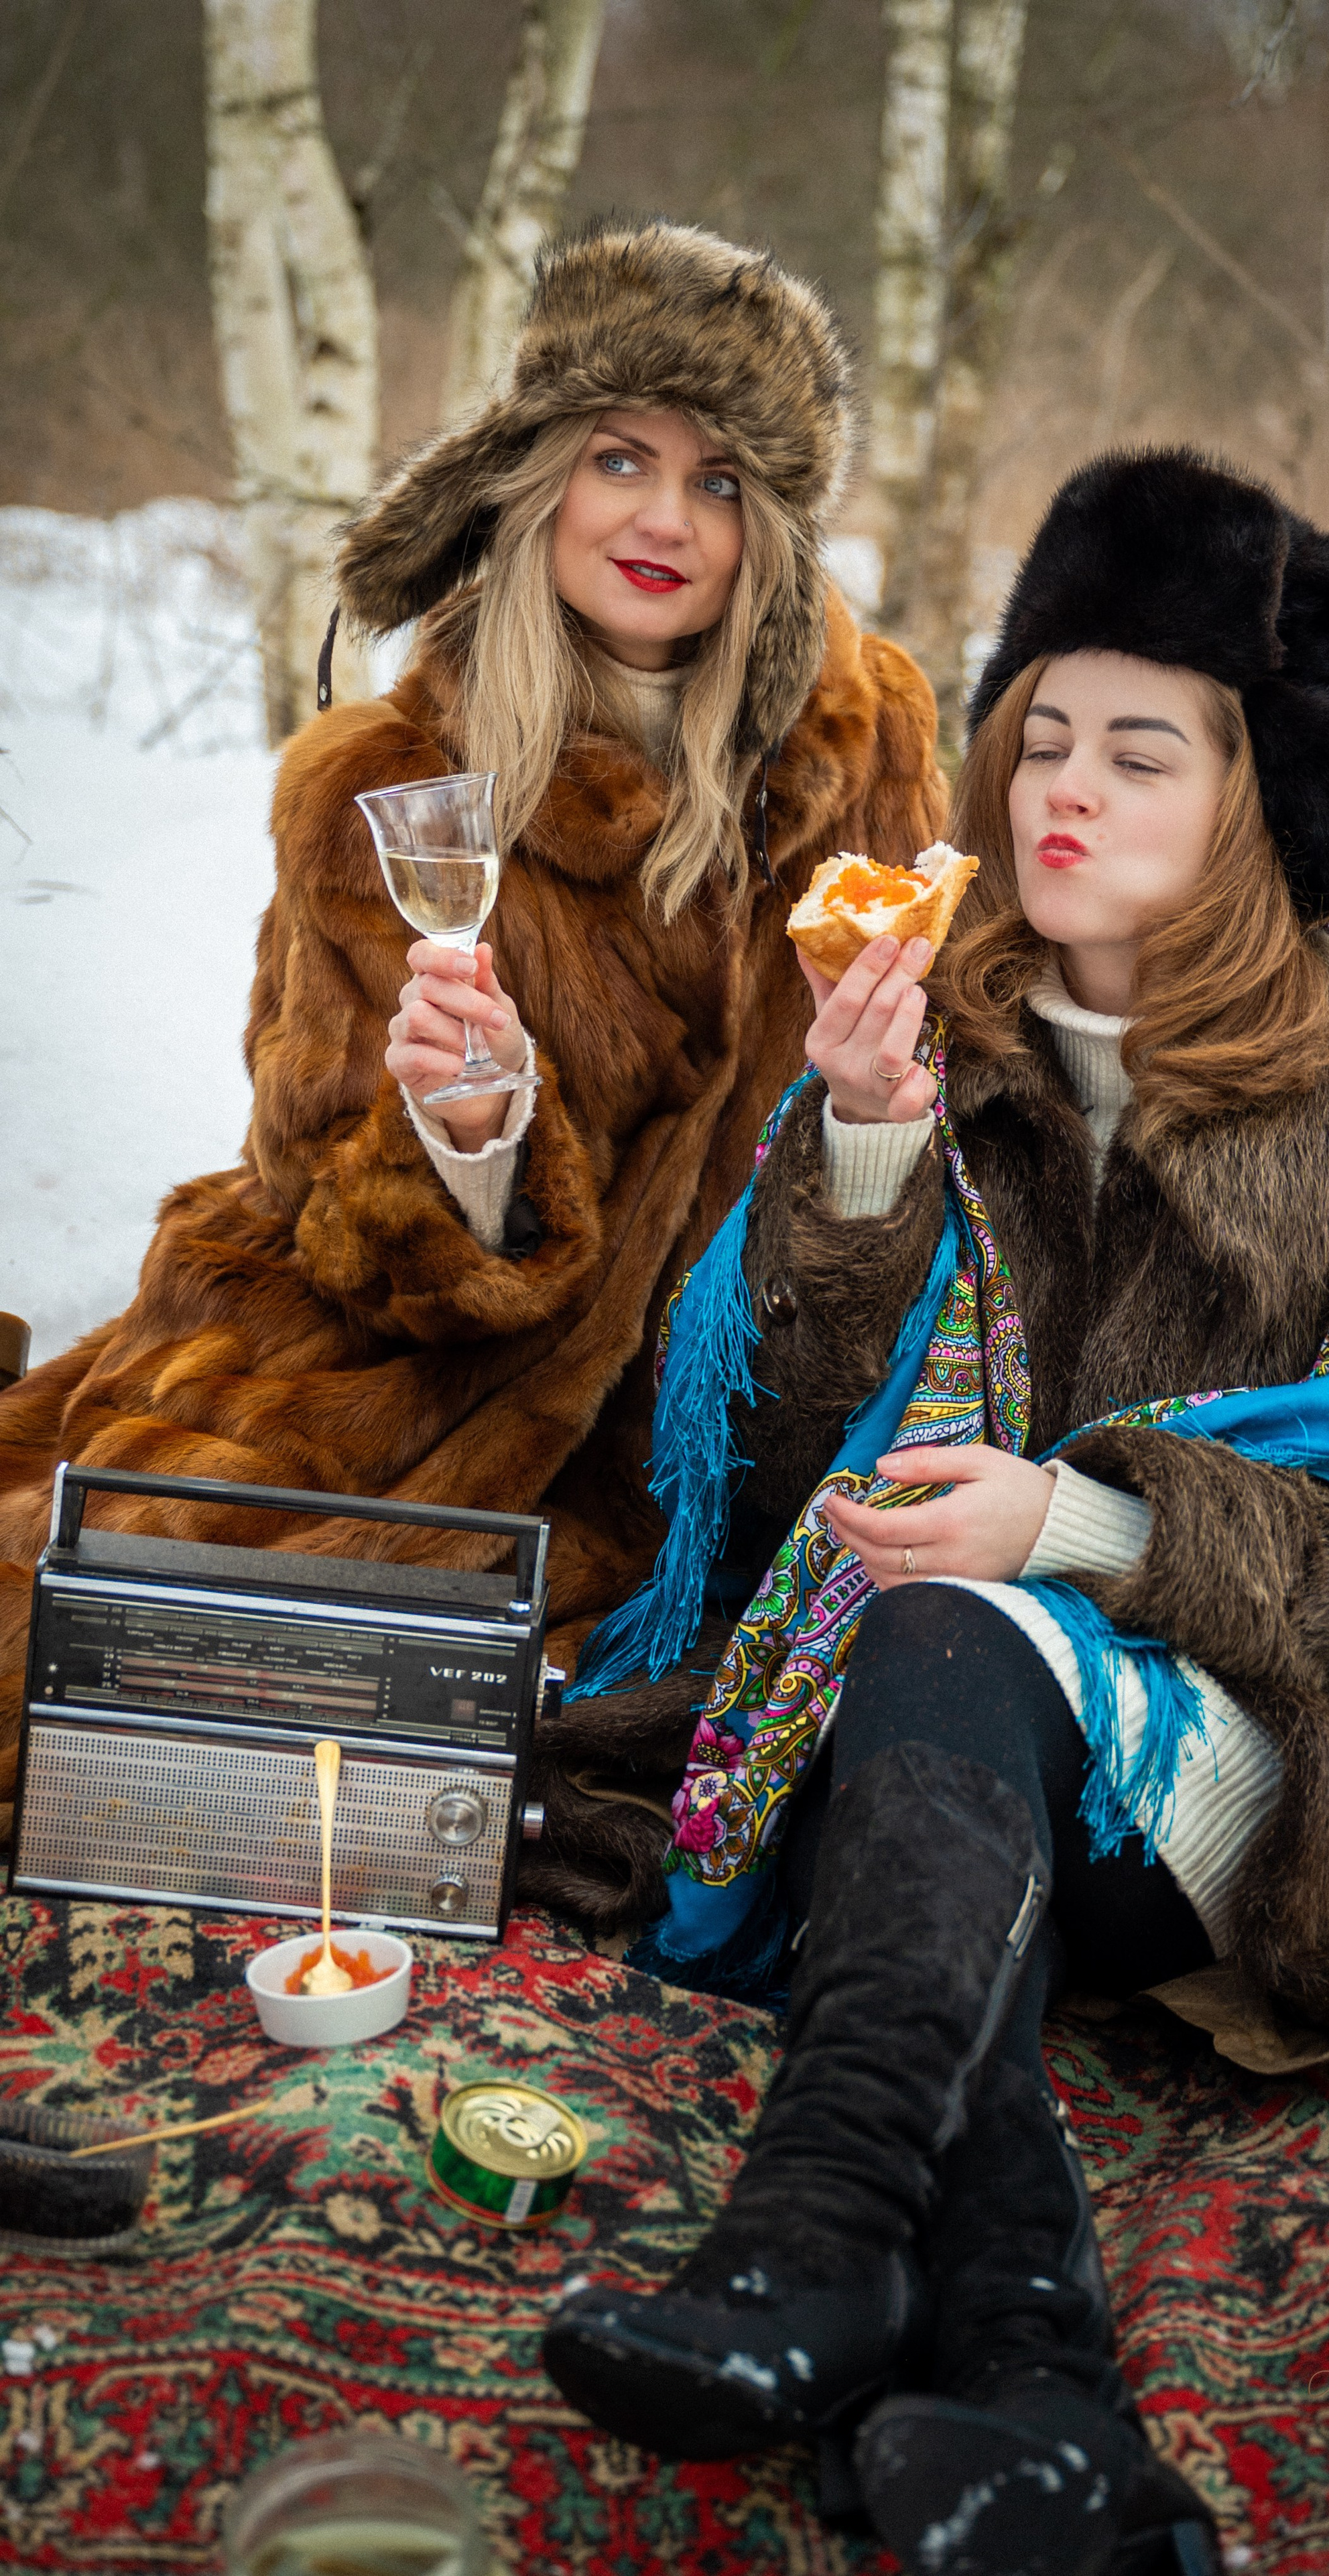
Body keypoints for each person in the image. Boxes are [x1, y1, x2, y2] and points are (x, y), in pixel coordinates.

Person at [540, 451, 1329, 2576]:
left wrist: (1080, 1527)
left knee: (955, 1638)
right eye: (1042, 732)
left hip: (1264, 1764)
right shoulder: (924, 1028)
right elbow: (767, 1501)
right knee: (928, 1688)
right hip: (924, 1753)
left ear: (1260, 799)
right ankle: (1036, 2390)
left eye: (1142, 752)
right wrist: (859, 1164)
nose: (1062, 790)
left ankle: (816, 2227)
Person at [0, 221, 948, 1893]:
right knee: (82, 1662)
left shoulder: (861, 745)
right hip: (399, 1357)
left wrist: (876, 1118)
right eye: (620, 458)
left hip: (710, 1394)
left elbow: (918, 1130)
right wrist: (468, 1143)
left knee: (780, 1743)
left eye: (722, 481)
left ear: (774, 528)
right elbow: (317, 1189)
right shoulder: (387, 776)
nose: (665, 519)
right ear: (533, 474)